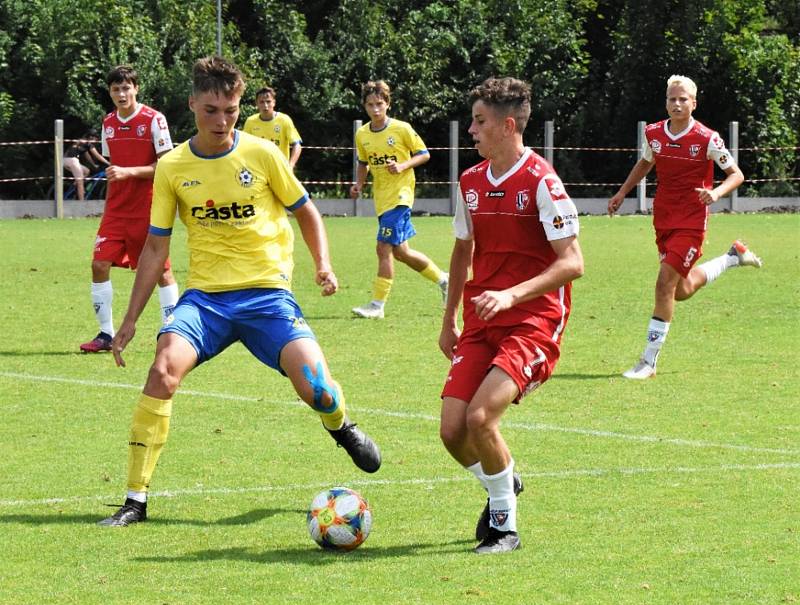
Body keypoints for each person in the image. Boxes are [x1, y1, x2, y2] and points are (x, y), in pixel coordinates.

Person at [98, 56, 381, 527]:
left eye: (229, 110)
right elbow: (154, 247)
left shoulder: (262, 153)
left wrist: (324, 265)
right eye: (211, 110)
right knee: (163, 370)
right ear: (192, 104)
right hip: (206, 301)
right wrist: (128, 321)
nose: (221, 120)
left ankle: (341, 426)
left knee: (318, 389)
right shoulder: (172, 167)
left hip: (268, 296)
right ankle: (135, 499)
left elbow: (307, 212)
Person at [438, 77, 584, 554]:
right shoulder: (470, 182)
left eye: (479, 122)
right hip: (481, 321)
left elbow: (572, 262)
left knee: (482, 418)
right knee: (452, 431)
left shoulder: (542, 181)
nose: (472, 132)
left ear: (506, 125)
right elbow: (463, 251)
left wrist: (511, 295)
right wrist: (448, 320)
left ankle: (505, 527)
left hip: (533, 319)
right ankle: (504, 481)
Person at [608, 74, 762, 380]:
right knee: (680, 290)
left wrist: (716, 193)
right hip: (663, 217)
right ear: (666, 102)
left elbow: (736, 174)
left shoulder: (707, 138)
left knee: (664, 284)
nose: (676, 104)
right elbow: (645, 163)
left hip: (692, 221)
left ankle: (648, 362)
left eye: (683, 99)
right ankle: (732, 257)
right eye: (671, 99)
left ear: (694, 103)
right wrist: (623, 191)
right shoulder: (654, 133)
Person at [80, 66, 179, 353]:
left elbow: (166, 165)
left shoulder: (153, 119)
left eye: (126, 88)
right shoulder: (108, 122)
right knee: (99, 264)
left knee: (160, 272)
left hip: (148, 209)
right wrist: (111, 198)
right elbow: (113, 168)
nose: (121, 94)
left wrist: (129, 172)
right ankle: (105, 334)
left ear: (136, 88)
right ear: (110, 93)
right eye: (115, 89)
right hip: (116, 211)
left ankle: (172, 333)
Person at [349, 80, 448, 319]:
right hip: (382, 198)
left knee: (383, 248)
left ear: (388, 104)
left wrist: (403, 165)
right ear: (364, 106)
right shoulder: (362, 134)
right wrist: (359, 184)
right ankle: (444, 280)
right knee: (401, 252)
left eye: (380, 104)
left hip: (401, 196)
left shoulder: (401, 129)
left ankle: (377, 305)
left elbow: (424, 154)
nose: (375, 109)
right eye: (371, 105)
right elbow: (363, 162)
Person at [242, 86, 302, 169]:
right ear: (257, 103)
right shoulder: (250, 121)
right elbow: (243, 146)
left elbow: (297, 145)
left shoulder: (284, 120)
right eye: (262, 102)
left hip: (280, 168)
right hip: (258, 169)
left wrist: (290, 165)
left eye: (268, 101)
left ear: (274, 102)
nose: (265, 105)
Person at [63, 128, 108, 200]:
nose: (96, 141)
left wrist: (94, 165)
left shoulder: (83, 143)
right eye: (96, 138)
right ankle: (82, 203)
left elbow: (88, 157)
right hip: (72, 160)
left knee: (87, 171)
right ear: (91, 137)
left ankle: (75, 187)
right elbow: (97, 156)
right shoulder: (88, 143)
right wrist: (109, 163)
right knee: (81, 182)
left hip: (67, 160)